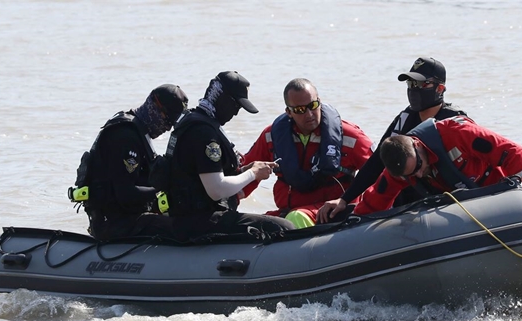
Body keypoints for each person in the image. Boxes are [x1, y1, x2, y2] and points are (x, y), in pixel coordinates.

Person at [318, 56, 468, 223]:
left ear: (440, 88)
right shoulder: (406, 118)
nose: (414, 89)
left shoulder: (455, 121)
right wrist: (345, 199)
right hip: (407, 203)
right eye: (410, 84)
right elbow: (378, 161)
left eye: (420, 84)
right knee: (340, 216)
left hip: (447, 203)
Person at [161, 71, 295, 240]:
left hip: (189, 217)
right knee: (283, 227)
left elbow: (203, 177)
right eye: (236, 106)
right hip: (200, 223)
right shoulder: (204, 133)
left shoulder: (194, 121)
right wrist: (253, 173)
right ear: (223, 99)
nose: (236, 113)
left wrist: (246, 170)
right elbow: (216, 190)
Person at [240, 78, 375, 228]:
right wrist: (229, 201)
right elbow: (245, 175)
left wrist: (346, 201)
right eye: (300, 110)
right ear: (289, 112)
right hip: (288, 211)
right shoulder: (271, 136)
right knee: (251, 226)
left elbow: (378, 173)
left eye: (313, 105)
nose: (309, 114)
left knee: (296, 218)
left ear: (319, 101)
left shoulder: (350, 136)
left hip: (333, 212)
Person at [70, 84, 189, 240]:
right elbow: (126, 193)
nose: (167, 128)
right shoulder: (126, 136)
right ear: (155, 108)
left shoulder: (137, 130)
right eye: (167, 121)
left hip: (123, 219)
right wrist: (162, 189)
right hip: (114, 224)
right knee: (181, 228)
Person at [353, 116, 522, 215]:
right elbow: (375, 200)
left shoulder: (457, 134)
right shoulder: (403, 168)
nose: (420, 174)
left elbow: (515, 154)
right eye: (411, 175)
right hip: (464, 211)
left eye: (419, 167)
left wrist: (520, 198)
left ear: (417, 145)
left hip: (497, 196)